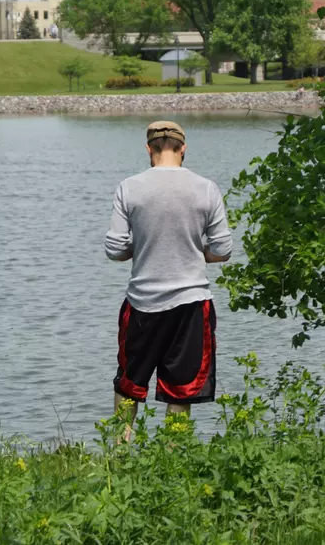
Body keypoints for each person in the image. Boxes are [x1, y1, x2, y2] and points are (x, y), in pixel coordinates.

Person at [105, 121, 232, 434]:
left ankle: (119, 456)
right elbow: (224, 249)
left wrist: (144, 246)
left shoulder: (129, 187)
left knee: (128, 383)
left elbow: (114, 249)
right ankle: (172, 461)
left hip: (141, 304)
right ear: (183, 149)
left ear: (149, 149)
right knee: (181, 387)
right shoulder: (206, 188)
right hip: (191, 305)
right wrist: (193, 250)